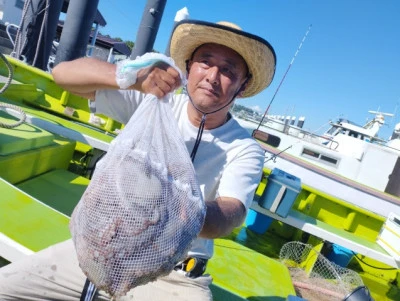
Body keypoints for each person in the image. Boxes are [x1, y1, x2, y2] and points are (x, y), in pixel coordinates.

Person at [0, 20, 276, 301]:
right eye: (205, 62)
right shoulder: (155, 101)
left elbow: (232, 211)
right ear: (189, 67)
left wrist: (180, 210)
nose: (212, 76)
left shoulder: (244, 149)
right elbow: (63, 74)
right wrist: (128, 77)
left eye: (228, 70)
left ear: (242, 87)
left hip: (175, 276)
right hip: (101, 247)